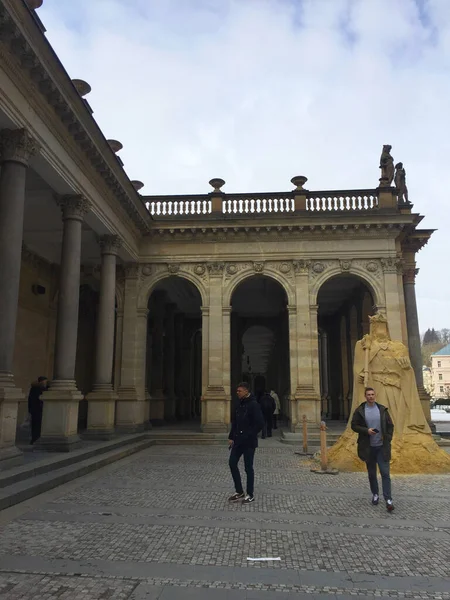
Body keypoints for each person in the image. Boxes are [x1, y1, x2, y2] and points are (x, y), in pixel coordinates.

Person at [351, 387, 394, 511]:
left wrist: (388, 438)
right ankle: (375, 494)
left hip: (382, 446)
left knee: (385, 473)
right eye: (368, 394)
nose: (371, 396)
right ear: (365, 396)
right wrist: (366, 431)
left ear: (375, 395)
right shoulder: (360, 410)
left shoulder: (382, 409)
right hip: (368, 447)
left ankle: (388, 499)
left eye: (372, 394)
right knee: (372, 473)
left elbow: (390, 425)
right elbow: (353, 425)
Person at [228, 381, 264, 504]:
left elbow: (260, 423)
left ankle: (250, 493)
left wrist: (249, 435)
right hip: (238, 441)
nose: (237, 392)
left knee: (248, 468)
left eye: (239, 391)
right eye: (237, 391)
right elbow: (235, 422)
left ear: (246, 391)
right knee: (232, 463)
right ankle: (239, 491)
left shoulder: (254, 404)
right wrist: (231, 436)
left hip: (248, 442)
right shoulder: (239, 404)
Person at [27, 376, 48, 444]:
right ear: (42, 381)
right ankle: (36, 439)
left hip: (34, 409)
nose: (45, 382)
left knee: (35, 425)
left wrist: (30, 409)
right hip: (38, 409)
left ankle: (34, 439)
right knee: (38, 425)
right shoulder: (40, 389)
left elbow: (30, 400)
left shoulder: (34, 388)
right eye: (45, 381)